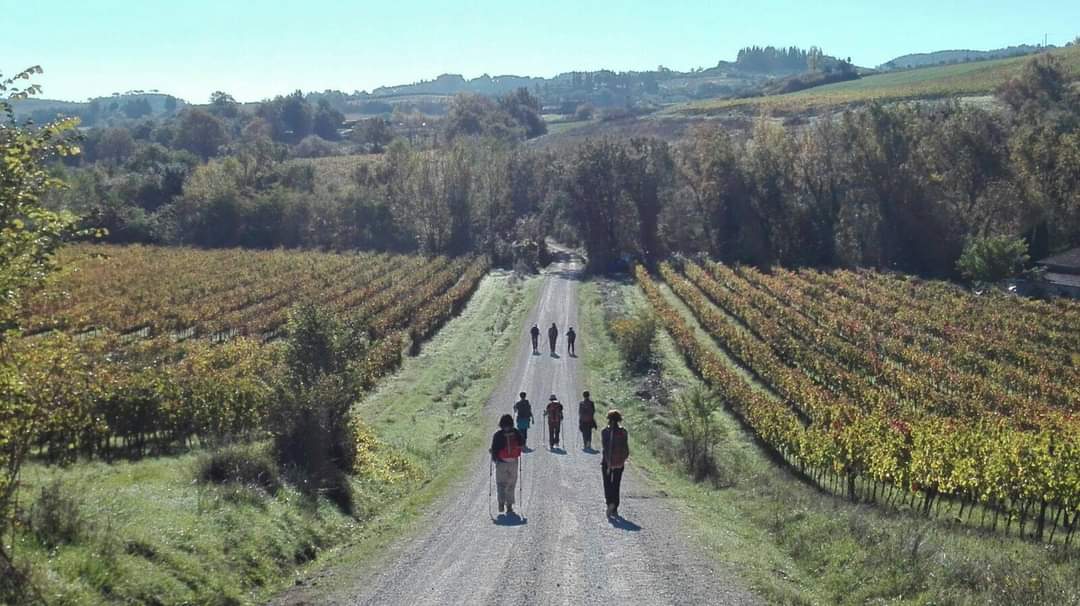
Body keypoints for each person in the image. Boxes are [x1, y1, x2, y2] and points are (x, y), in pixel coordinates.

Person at [490, 414, 524, 515]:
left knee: (501, 483)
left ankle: (501, 503)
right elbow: (522, 443)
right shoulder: (516, 432)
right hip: (513, 461)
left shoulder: (498, 435)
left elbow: (494, 449)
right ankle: (509, 506)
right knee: (511, 484)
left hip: (502, 462)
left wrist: (495, 459)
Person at [601, 409, 630, 518]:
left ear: (608, 419)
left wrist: (608, 462)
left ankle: (609, 503)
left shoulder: (605, 432)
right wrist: (622, 460)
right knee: (616, 484)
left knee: (607, 484)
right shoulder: (623, 432)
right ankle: (615, 507)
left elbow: (605, 448)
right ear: (619, 420)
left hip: (607, 462)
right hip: (619, 463)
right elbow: (626, 449)